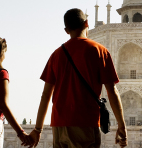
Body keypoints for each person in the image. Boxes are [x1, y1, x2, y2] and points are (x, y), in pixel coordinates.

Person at [29, 8, 128, 148]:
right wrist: (121, 125)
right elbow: (112, 92)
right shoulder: (99, 51)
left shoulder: (56, 55)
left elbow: (45, 95)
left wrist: (38, 129)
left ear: (66, 30)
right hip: (85, 123)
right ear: (87, 23)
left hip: (59, 125)